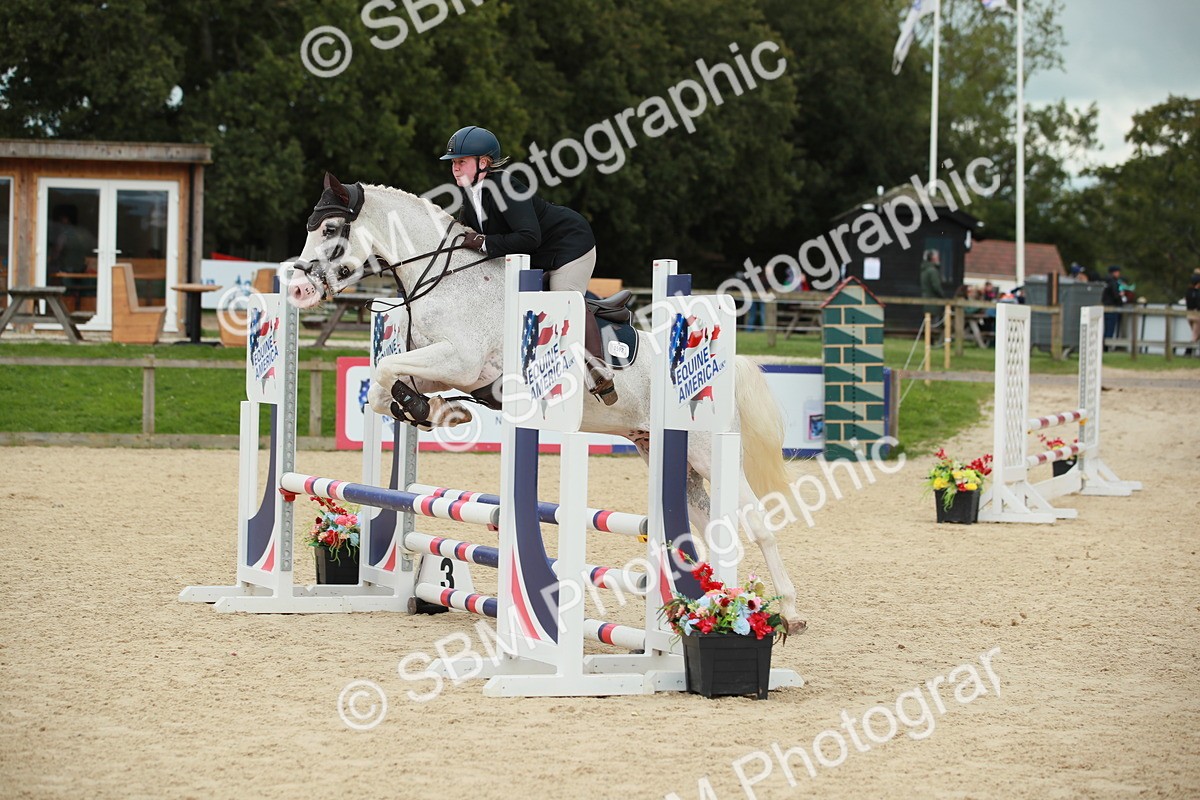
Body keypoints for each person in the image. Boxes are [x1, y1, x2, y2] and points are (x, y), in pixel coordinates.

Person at [441, 125, 616, 405]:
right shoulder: (471, 191)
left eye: (461, 161)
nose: (455, 167)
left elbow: (528, 237)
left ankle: (596, 367)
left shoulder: (506, 186)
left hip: (568, 246)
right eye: (453, 162)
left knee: (563, 297)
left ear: (483, 163)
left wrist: (484, 242)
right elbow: (464, 232)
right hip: (533, 255)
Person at [1101, 265, 1128, 345]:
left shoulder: (1106, 281)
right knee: (1110, 328)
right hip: (1112, 307)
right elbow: (1116, 295)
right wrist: (1121, 299)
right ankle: (1106, 345)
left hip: (1106, 306)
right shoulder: (1113, 282)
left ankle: (1105, 345)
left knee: (1106, 327)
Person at [919, 249, 945, 321]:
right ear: (933, 258)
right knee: (933, 327)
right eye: (937, 257)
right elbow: (936, 287)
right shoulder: (932, 271)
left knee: (928, 325)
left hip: (926, 302)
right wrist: (943, 296)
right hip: (934, 304)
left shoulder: (924, 270)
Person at [1186, 273, 1200, 356]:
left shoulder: (1188, 292)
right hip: (1197, 316)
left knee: (1197, 334)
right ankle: (1188, 352)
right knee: (1195, 335)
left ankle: (1189, 351)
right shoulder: (1198, 293)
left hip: (1189, 315)